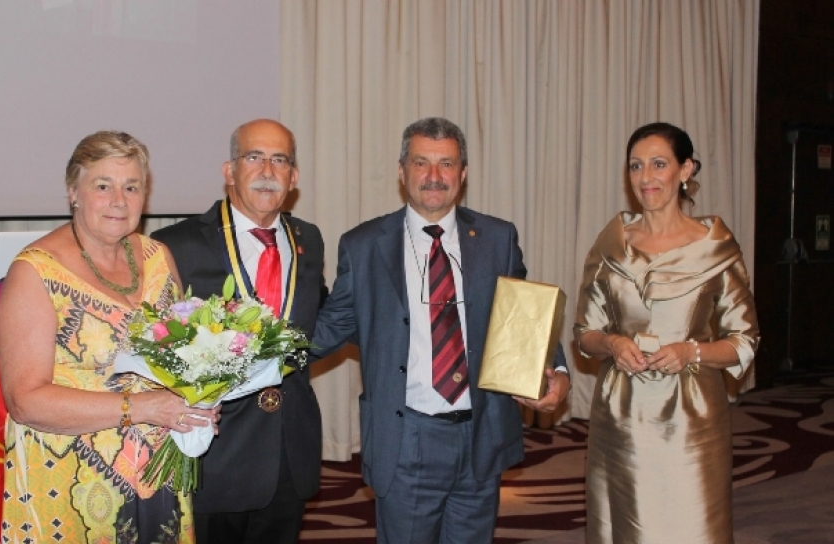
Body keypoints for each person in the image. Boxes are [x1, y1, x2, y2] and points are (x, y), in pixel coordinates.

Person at [310, 117, 571, 543]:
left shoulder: (497, 237)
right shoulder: (363, 245)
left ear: (463, 173)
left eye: (446, 164)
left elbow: (525, 317)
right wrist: (255, 355)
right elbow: (332, 324)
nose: (434, 177)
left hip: (480, 435)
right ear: (402, 171)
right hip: (408, 435)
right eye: (421, 163)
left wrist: (557, 372)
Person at [0, 131, 218, 543]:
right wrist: (144, 407)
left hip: (158, 471)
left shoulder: (156, 257)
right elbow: (24, 401)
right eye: (103, 186)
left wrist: (198, 401)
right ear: (73, 192)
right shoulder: (34, 273)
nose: (120, 200)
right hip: (68, 481)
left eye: (132, 187)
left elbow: (181, 356)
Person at [574, 122, 760, 543]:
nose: (645, 177)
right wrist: (611, 343)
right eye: (636, 166)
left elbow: (744, 341)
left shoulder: (716, 247)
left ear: (685, 170)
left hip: (691, 418)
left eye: (659, 164)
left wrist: (691, 352)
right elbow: (584, 332)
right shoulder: (611, 244)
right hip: (622, 413)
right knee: (625, 524)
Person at [151, 119, 327, 544]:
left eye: (280, 159)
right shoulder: (175, 244)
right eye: (254, 157)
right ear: (229, 171)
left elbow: (312, 323)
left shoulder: (310, 238)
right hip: (216, 453)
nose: (267, 169)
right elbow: (155, 340)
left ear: (294, 176)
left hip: (290, 446)